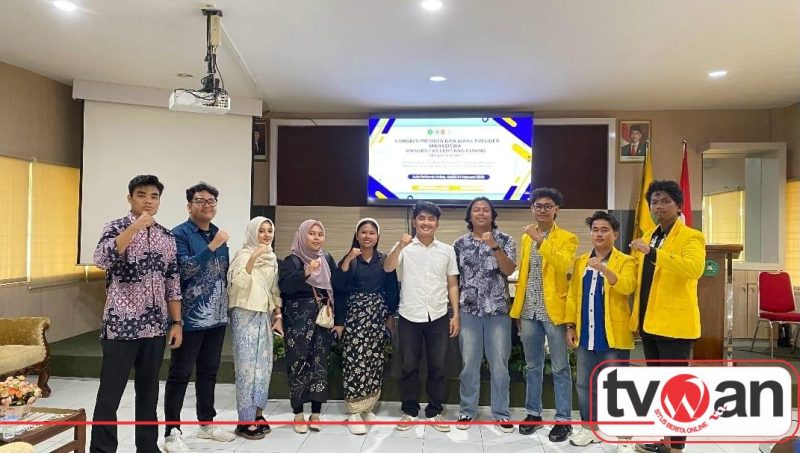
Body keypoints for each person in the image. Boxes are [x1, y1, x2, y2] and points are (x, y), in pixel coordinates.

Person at [90, 175, 183, 453]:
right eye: (142, 195)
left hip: (154, 327)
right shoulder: (116, 227)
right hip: (121, 326)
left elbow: (172, 282)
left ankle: (147, 447)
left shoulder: (166, 237)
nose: (148, 201)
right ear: (130, 198)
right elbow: (101, 259)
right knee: (110, 394)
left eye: (154, 196)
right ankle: (102, 450)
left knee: (148, 393)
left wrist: (176, 322)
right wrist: (134, 227)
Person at [630, 180, 705, 453]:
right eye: (654, 202)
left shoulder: (691, 237)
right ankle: (663, 441)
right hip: (650, 322)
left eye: (665, 201)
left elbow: (694, 268)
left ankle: (677, 447)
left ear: (679, 205)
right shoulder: (650, 234)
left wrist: (653, 253)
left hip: (675, 326)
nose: (658, 207)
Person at [163, 182, 234, 452]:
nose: (207, 205)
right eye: (200, 201)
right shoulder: (179, 234)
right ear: (189, 206)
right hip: (189, 319)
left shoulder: (217, 233)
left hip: (216, 318)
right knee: (180, 374)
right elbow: (184, 270)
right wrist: (213, 246)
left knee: (209, 372)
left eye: (211, 201)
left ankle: (206, 423)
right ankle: (172, 432)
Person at [383, 201, 460, 433]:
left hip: (438, 314)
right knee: (408, 365)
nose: (426, 222)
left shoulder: (447, 250)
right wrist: (400, 246)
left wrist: (455, 314)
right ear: (414, 221)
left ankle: (435, 411)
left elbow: (452, 284)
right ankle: (409, 410)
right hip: (409, 315)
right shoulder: (404, 247)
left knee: (438, 366)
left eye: (431, 219)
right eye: (422, 218)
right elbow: (388, 268)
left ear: (437, 223)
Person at [509, 187, 578, 443]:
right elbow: (525, 274)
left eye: (548, 206)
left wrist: (540, 240)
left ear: (556, 209)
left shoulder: (567, 238)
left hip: (554, 312)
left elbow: (562, 264)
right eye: (538, 206)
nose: (542, 210)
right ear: (532, 209)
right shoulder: (526, 238)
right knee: (532, 365)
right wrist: (518, 310)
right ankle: (533, 414)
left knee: (560, 367)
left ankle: (563, 420)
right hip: (529, 309)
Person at [564, 211, 637, 452]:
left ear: (615, 234)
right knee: (584, 385)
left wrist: (605, 270)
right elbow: (573, 296)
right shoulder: (581, 261)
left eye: (604, 230)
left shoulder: (626, 261)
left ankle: (624, 435)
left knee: (617, 385)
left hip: (613, 336)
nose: (599, 234)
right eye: (595, 230)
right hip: (586, 335)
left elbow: (627, 286)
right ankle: (589, 429)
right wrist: (570, 326)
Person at [452, 197, 517, 433]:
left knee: (499, 364)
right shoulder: (459, 244)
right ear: (470, 216)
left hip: (498, 311)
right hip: (469, 310)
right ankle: (467, 410)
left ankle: (501, 413)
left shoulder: (506, 240)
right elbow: (454, 279)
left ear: (492, 215)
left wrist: (494, 246)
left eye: (485, 210)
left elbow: (509, 270)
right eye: (476, 210)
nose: (481, 213)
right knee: (469, 364)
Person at [332, 218, 399, 435]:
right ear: (356, 235)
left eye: (372, 233)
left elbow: (392, 289)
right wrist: (339, 322)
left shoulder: (384, 260)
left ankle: (368, 408)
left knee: (374, 362)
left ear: (377, 236)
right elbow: (338, 287)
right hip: (353, 317)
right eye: (363, 232)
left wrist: (390, 315)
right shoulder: (350, 259)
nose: (367, 236)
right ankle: (354, 412)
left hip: (377, 316)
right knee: (354, 362)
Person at [278, 219, 337, 434]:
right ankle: (298, 414)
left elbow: (336, 287)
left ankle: (316, 414)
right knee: (298, 364)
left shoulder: (327, 259)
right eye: (312, 233)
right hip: (298, 322)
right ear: (303, 235)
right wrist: (305, 272)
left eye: (320, 234)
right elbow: (285, 286)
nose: (316, 238)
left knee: (320, 364)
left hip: (322, 320)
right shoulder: (292, 260)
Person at [228, 217, 284, 440]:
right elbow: (239, 284)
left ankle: (258, 414)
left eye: (270, 230)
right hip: (244, 314)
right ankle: (245, 419)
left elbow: (274, 290)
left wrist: (278, 315)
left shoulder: (271, 258)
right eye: (261, 231)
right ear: (253, 233)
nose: (266, 235)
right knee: (246, 369)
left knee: (263, 368)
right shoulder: (243, 255)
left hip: (263, 315)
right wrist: (253, 257)